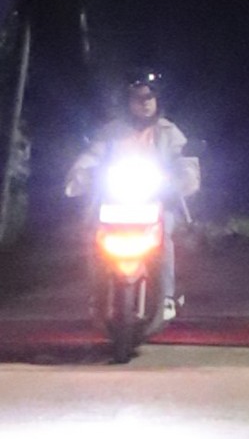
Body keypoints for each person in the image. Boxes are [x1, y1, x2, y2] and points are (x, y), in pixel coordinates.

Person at [67, 71, 200, 318]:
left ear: (158, 100)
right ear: (128, 102)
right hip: (115, 201)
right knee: (94, 236)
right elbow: (92, 155)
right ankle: (97, 294)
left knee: (166, 234)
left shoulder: (168, 131)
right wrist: (81, 174)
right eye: (138, 98)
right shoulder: (111, 132)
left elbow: (183, 159)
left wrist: (184, 177)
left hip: (156, 201)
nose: (144, 103)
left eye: (149, 97)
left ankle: (167, 297)